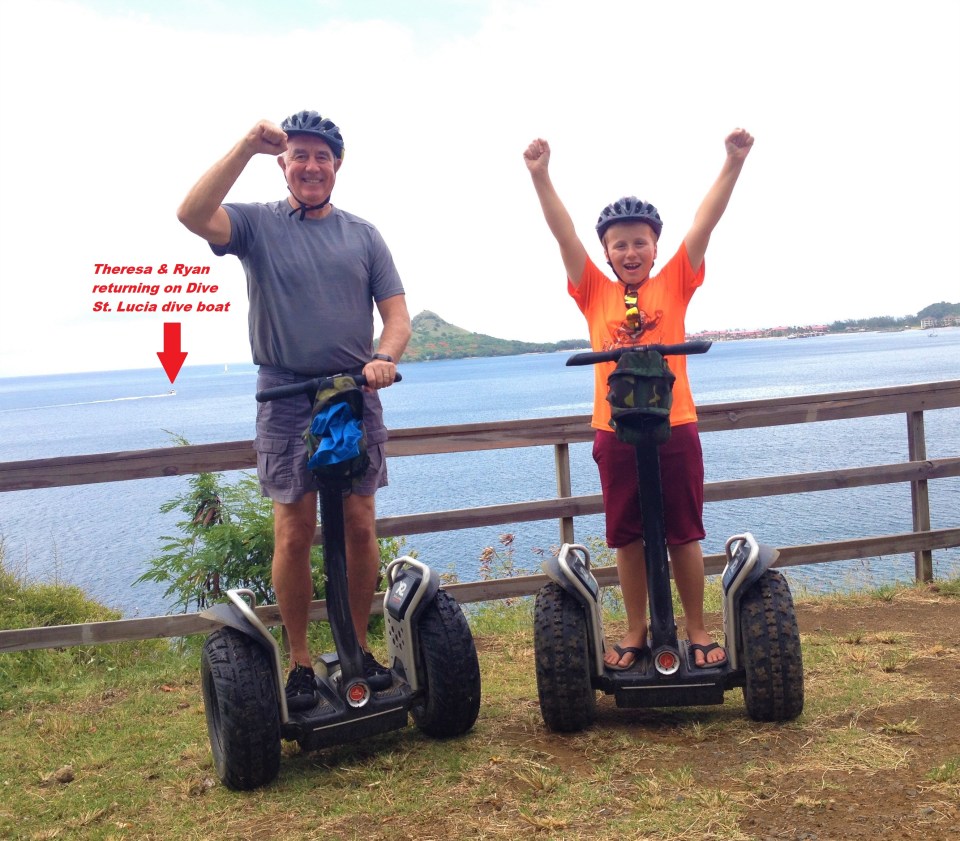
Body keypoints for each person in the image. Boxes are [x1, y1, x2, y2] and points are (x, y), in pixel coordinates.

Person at [178, 110, 412, 708]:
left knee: (361, 525)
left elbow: (397, 315)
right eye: (299, 155)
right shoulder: (256, 225)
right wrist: (243, 147)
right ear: (284, 164)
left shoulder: (363, 234)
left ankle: (356, 649)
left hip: (353, 392)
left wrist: (384, 357)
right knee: (294, 530)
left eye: (322, 157)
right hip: (285, 394)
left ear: (337, 166)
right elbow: (191, 213)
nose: (311, 166)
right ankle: (303, 662)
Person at [523, 129, 754, 670]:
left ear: (655, 246)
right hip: (615, 430)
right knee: (626, 535)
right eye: (619, 244)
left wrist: (732, 162)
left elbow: (705, 222)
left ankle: (696, 628)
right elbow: (563, 237)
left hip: (675, 424)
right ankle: (634, 628)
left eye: (640, 242)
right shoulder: (593, 291)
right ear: (606, 252)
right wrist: (540, 176)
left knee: (684, 533)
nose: (631, 251)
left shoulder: (675, 281)